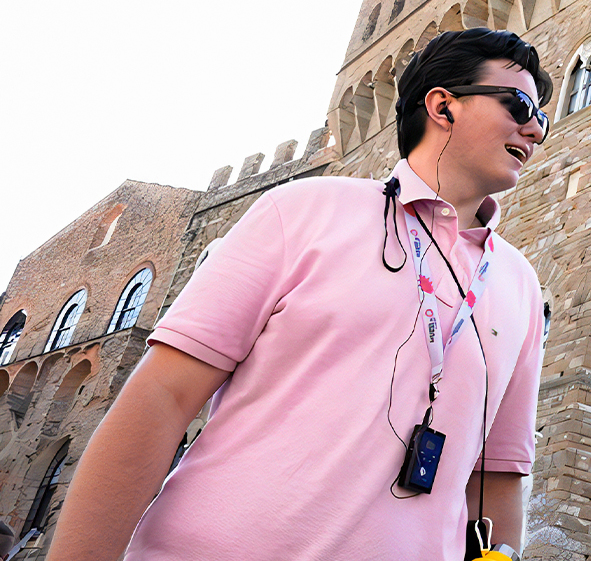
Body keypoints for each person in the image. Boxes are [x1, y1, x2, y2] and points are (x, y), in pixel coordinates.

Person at [51, 28, 554, 561]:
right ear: (443, 106)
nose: (536, 130)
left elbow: (497, 475)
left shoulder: (518, 283)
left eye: (541, 116)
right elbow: (162, 398)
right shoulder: (302, 211)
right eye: (520, 105)